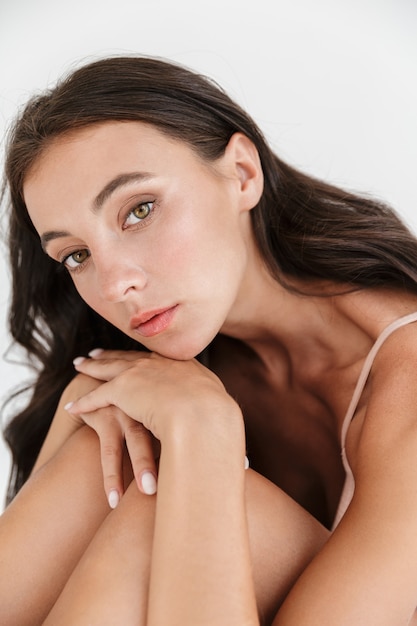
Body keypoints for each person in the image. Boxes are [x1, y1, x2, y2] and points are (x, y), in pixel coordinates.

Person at [1, 55, 417, 625]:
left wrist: (203, 430)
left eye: (139, 210)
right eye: (77, 255)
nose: (115, 282)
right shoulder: (163, 371)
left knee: (157, 495)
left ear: (242, 174)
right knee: (111, 436)